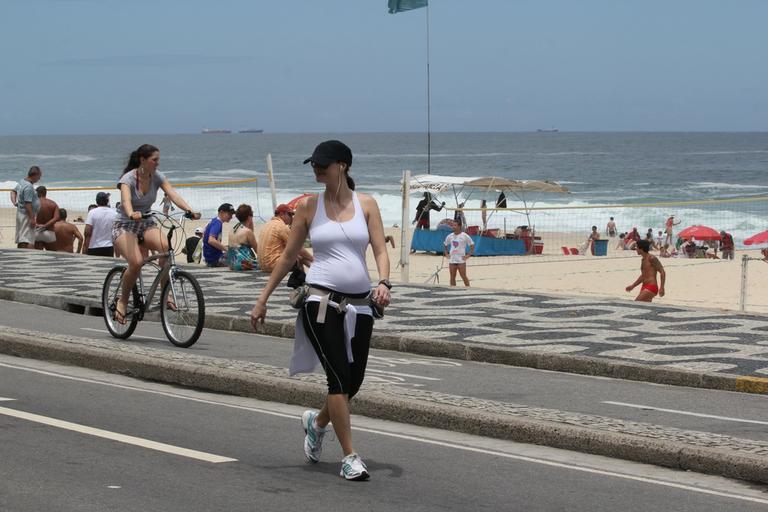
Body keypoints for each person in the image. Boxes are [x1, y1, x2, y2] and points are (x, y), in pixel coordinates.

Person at [250, 140, 391, 481]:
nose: (317, 169)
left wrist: (384, 282)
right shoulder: (309, 207)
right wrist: (262, 298)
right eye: (314, 164)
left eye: (323, 164)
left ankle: (317, 422)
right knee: (338, 377)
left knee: (352, 383)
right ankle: (350, 456)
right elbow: (288, 257)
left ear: (343, 165)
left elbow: (380, 249)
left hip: (360, 306)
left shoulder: (367, 204)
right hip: (320, 302)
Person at [111, 144, 200, 325]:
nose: (158, 163)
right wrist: (131, 213)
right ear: (143, 160)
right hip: (125, 224)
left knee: (167, 249)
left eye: (158, 160)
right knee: (135, 262)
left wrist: (189, 210)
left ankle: (165, 295)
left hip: (146, 223)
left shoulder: (157, 176)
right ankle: (122, 300)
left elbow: (172, 194)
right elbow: (126, 200)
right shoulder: (127, 179)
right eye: (154, 160)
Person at [257, 203, 313, 273]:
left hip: (263, 266)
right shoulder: (281, 226)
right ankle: (315, 272)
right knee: (300, 257)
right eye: (289, 214)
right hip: (274, 265)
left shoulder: (267, 224)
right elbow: (298, 249)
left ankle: (306, 276)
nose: (291, 217)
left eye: (292, 215)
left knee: (295, 254)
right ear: (281, 214)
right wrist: (313, 259)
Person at [14, 166, 42, 249]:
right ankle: (25, 255)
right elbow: (28, 203)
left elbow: (13, 192)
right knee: (26, 238)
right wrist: (32, 218)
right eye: (39, 176)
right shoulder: (28, 187)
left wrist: (15, 202)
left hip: (21, 213)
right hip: (26, 215)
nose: (39, 179)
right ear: (35, 175)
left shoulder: (22, 182)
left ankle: (20, 254)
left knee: (22, 236)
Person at [83, 192, 118, 257]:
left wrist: (85, 248)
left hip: (94, 247)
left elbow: (87, 233)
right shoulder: (114, 213)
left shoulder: (92, 212)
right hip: (109, 247)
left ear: (96, 201)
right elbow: (116, 234)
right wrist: (117, 254)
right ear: (107, 201)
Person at [226, 204, 259, 271]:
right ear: (249, 217)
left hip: (232, 263)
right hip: (242, 263)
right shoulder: (247, 232)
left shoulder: (233, 229)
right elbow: (257, 250)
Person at [444, 219, 475, 286]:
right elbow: (445, 244)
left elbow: (472, 245)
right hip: (452, 260)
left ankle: (468, 289)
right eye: (452, 225)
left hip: (461, 260)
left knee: (463, 276)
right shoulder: (450, 236)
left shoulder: (464, 236)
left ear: (459, 226)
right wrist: (446, 253)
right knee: (452, 277)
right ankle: (452, 291)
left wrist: (468, 255)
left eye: (455, 225)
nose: (453, 227)